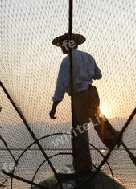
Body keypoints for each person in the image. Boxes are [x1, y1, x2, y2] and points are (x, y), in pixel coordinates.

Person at [49, 33, 121, 173]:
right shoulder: (88, 57)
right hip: (92, 93)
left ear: (68, 44)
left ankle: (83, 167)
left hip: (80, 96)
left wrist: (54, 106)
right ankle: (113, 137)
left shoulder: (67, 61)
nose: (61, 48)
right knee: (97, 118)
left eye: (62, 45)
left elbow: (61, 85)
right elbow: (98, 75)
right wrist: (85, 73)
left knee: (79, 131)